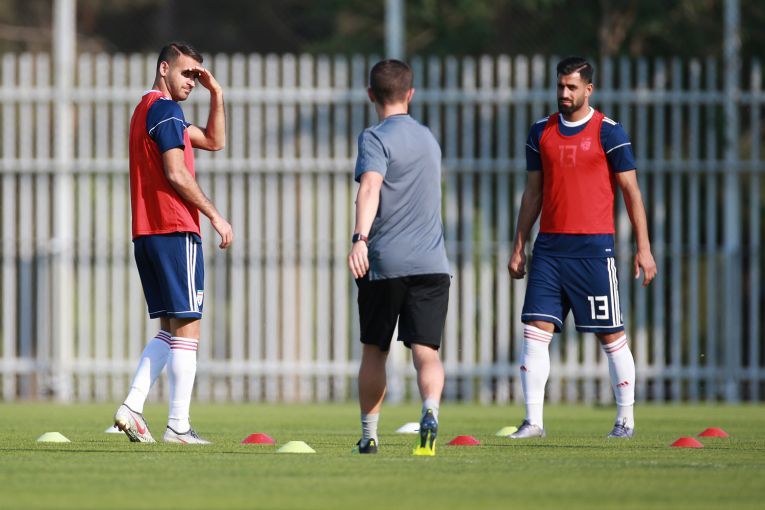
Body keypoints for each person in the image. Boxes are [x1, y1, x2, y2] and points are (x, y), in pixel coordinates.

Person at [508, 56, 657, 439]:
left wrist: (644, 248)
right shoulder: (540, 131)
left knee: (611, 336)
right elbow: (533, 193)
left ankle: (625, 421)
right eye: (560, 85)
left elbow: (632, 192)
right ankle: (533, 422)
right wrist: (519, 245)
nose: (564, 92)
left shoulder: (609, 132)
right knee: (534, 331)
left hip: (593, 251)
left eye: (572, 87)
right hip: (549, 250)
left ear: (588, 89)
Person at [113, 41, 233, 444]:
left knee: (170, 329)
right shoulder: (166, 110)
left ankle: (132, 406)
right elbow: (177, 173)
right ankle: (178, 425)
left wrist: (217, 95)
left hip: (147, 234)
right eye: (186, 73)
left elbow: (214, 140)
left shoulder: (145, 110)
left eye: (197, 76)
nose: (192, 82)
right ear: (164, 68)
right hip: (174, 230)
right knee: (188, 329)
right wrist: (215, 215)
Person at [348, 59, 451, 456]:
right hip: (432, 265)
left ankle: (369, 436)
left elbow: (370, 188)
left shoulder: (375, 137)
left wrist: (360, 238)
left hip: (385, 264)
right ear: (410, 93)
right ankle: (430, 411)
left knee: (375, 350)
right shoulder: (428, 139)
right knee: (426, 353)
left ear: (370, 95)